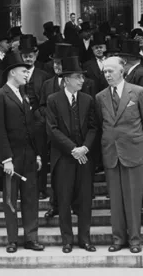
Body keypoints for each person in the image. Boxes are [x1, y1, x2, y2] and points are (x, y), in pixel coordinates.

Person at [95, 56, 143, 253]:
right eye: (104, 71)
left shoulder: (138, 92)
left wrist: (139, 143)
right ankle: (118, 238)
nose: (107, 74)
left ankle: (135, 239)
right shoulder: (100, 97)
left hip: (133, 150)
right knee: (116, 199)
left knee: (134, 197)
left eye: (111, 70)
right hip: (111, 153)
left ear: (122, 70)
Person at [0, 52, 44, 253]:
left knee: (31, 198)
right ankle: (12, 239)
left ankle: (31, 237)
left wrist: (37, 154)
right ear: (12, 72)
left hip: (29, 156)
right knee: (10, 200)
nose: (26, 74)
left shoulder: (25, 94)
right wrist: (6, 159)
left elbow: (32, 127)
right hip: (11, 157)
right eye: (23, 71)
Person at [46, 56, 97, 253]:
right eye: (78, 77)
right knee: (64, 199)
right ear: (66, 79)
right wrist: (72, 149)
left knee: (85, 199)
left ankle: (85, 238)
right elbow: (52, 129)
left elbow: (94, 127)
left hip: (84, 156)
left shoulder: (87, 99)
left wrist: (84, 147)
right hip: (63, 158)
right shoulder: (53, 100)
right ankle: (67, 239)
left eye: (82, 78)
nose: (82, 81)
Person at [19, 35, 51, 199]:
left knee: (41, 154)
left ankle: (41, 188)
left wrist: (40, 115)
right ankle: (24, 188)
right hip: (20, 122)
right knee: (23, 155)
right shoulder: (16, 74)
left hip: (38, 121)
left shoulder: (43, 74)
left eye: (31, 55)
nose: (28, 58)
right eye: (25, 55)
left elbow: (47, 99)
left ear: (36, 54)